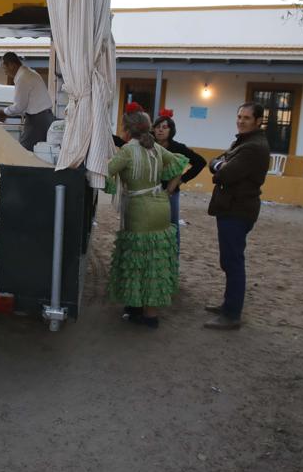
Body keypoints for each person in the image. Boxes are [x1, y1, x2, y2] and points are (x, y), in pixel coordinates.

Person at [105, 105, 189, 328]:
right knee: (155, 260)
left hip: (139, 210)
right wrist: (169, 190)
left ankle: (134, 308)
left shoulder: (127, 151)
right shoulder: (156, 149)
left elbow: (105, 173)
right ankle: (151, 315)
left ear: (126, 128)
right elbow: (180, 164)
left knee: (137, 260)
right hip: (161, 205)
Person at [204, 102, 270, 331]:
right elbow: (215, 162)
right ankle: (228, 305)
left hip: (238, 209)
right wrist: (219, 165)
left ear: (258, 121)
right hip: (231, 207)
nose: (241, 121)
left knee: (233, 261)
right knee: (229, 259)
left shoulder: (253, 147)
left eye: (247, 118)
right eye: (239, 116)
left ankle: (232, 314)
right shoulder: (243, 142)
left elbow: (225, 173)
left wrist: (220, 167)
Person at [152, 111, 207, 251]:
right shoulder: (148, 145)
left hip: (170, 193)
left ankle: (173, 257)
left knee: (172, 226)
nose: (160, 130)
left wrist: (182, 179)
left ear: (171, 130)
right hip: (150, 192)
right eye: (158, 126)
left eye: (165, 127)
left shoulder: (178, 148)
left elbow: (200, 162)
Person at [0, 52, 55, 150]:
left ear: (12, 65)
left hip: (37, 120)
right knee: (40, 152)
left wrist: (3, 112)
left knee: (23, 151)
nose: (5, 72)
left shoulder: (23, 78)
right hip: (45, 116)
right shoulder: (29, 72)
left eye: (4, 68)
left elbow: (19, 107)